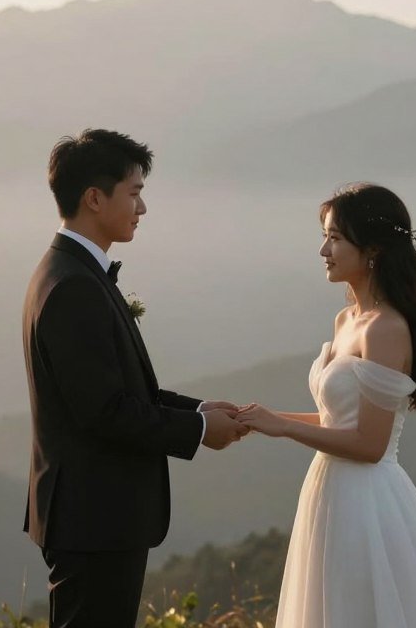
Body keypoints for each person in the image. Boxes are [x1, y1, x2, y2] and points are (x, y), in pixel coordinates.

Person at [237, 183, 416, 627]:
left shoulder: (385, 329)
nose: (323, 249)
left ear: (372, 249)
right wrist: (266, 419)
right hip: (329, 489)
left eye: (335, 238)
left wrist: (282, 428)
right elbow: (337, 420)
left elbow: (369, 444)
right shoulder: (346, 320)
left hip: (366, 501)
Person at [22, 128, 248, 628]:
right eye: (135, 193)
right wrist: (202, 433)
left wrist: (199, 410)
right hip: (93, 519)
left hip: (97, 517)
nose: (142, 209)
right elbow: (104, 412)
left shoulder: (76, 272)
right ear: (95, 198)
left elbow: (121, 391)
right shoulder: (73, 287)